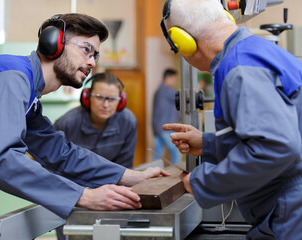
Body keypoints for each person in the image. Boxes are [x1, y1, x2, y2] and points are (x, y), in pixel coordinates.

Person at [0, 13, 168, 240]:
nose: (92, 62)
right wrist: (84, 196)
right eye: (86, 49)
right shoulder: (12, 79)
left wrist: (130, 176)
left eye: (95, 55)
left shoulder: (29, 95)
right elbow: (3, 161)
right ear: (54, 43)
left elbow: (61, 153)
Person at [160, 0, 302, 239]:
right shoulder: (256, 51)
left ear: (182, 42)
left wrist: (201, 182)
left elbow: (276, 147)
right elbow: (275, 134)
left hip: (290, 213)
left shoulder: (240, 68)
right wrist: (208, 143)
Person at [54, 72, 137, 168]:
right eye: (99, 97)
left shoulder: (128, 122)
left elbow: (125, 166)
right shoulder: (66, 124)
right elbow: (52, 166)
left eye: (112, 99)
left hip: (111, 180)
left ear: (121, 101)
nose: (106, 105)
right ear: (87, 97)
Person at [152, 68, 181, 164]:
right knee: (176, 152)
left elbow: (170, 109)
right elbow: (182, 98)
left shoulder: (159, 90)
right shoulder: (167, 90)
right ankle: (178, 175)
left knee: (158, 155)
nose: (174, 81)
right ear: (168, 78)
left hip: (158, 127)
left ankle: (154, 175)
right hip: (165, 127)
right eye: (174, 79)